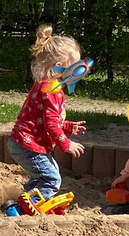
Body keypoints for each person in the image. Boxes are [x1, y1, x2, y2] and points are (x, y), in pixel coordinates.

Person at [7, 24, 87, 199]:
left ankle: (24, 201)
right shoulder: (52, 91)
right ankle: (32, 206)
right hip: (28, 145)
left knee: (43, 176)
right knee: (52, 179)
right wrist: (66, 143)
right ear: (59, 67)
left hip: (23, 142)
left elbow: (46, 119)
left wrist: (67, 126)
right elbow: (50, 123)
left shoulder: (47, 86)